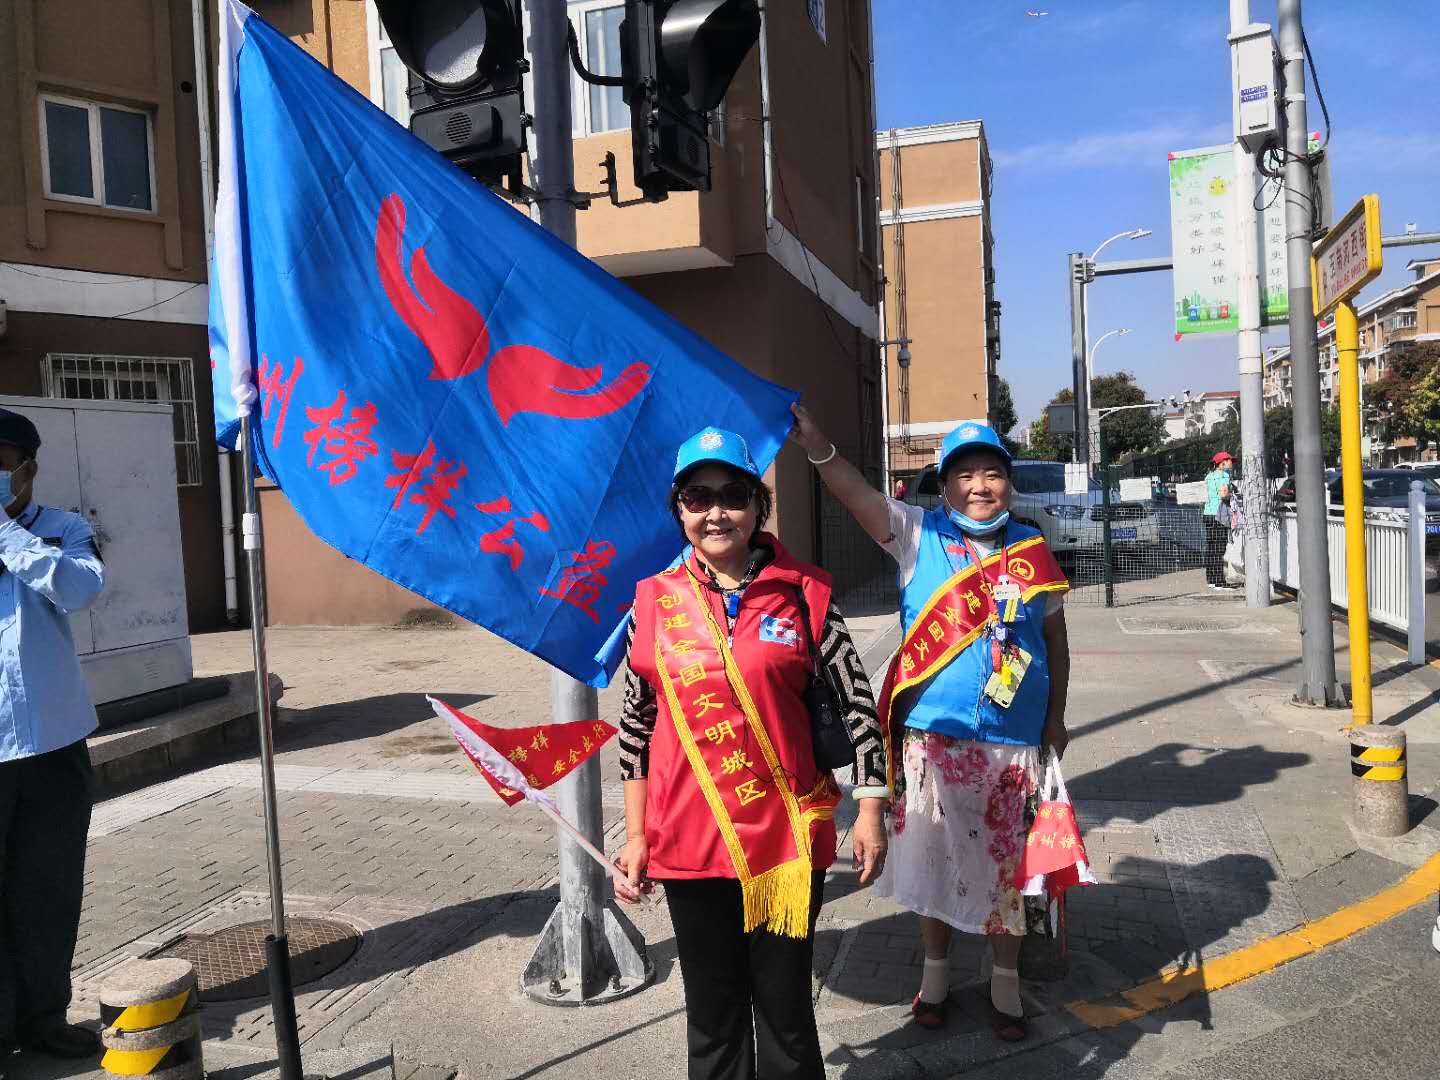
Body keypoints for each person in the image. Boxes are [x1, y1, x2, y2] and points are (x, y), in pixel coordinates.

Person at [614, 426, 890, 1080]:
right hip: (687, 840)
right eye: (697, 497)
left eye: (732, 495)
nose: (715, 512)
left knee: (785, 1007)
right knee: (712, 1012)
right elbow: (635, 723)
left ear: (757, 507)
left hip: (783, 840)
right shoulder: (651, 603)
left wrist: (872, 810)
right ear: (678, 510)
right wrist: (635, 834)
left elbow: (858, 706)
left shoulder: (806, 591)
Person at [789, 406, 1071, 1042]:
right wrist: (817, 445)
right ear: (943, 486)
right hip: (932, 740)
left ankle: (1005, 989)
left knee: (1007, 866)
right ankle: (936, 977)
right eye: (964, 474)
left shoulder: (1031, 550)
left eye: (992, 472)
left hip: (1013, 742)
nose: (979, 485)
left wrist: (1056, 718)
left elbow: (1054, 640)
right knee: (936, 860)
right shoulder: (918, 535)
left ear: (1009, 481)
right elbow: (856, 494)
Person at [0, 408, 107, 1075]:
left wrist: (4, 533)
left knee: (47, 887)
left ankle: (43, 1017)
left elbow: (79, 587)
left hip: (53, 743)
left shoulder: (65, 531)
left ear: (29, 469)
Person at [1203, 451, 1235, 589]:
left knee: (1211, 547)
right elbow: (1223, 494)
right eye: (1229, 460)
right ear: (1222, 463)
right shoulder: (1224, 476)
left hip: (1208, 514)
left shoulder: (1209, 476)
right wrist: (1232, 495)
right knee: (1219, 549)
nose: (1231, 463)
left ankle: (1211, 579)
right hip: (1219, 515)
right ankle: (1219, 582)